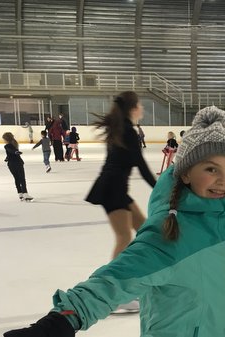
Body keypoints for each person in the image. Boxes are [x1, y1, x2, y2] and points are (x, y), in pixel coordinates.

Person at [3, 106, 225, 337]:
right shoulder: (168, 237)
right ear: (185, 173)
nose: (224, 181)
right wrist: (63, 321)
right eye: (211, 169)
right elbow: (113, 280)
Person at [84, 92, 156, 314]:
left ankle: (132, 280)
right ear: (133, 108)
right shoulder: (128, 131)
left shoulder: (120, 128)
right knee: (124, 237)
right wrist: (162, 189)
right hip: (112, 189)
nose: (142, 108)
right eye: (140, 105)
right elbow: (141, 166)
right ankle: (114, 294)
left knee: (144, 230)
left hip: (115, 188)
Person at [2, 132, 33, 201]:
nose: (3, 141)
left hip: (11, 165)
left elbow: (11, 151)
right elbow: (12, 151)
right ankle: (25, 193)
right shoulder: (10, 145)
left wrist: (8, 157)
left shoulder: (9, 145)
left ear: (6, 139)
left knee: (17, 179)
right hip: (17, 164)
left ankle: (20, 194)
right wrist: (15, 152)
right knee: (21, 179)